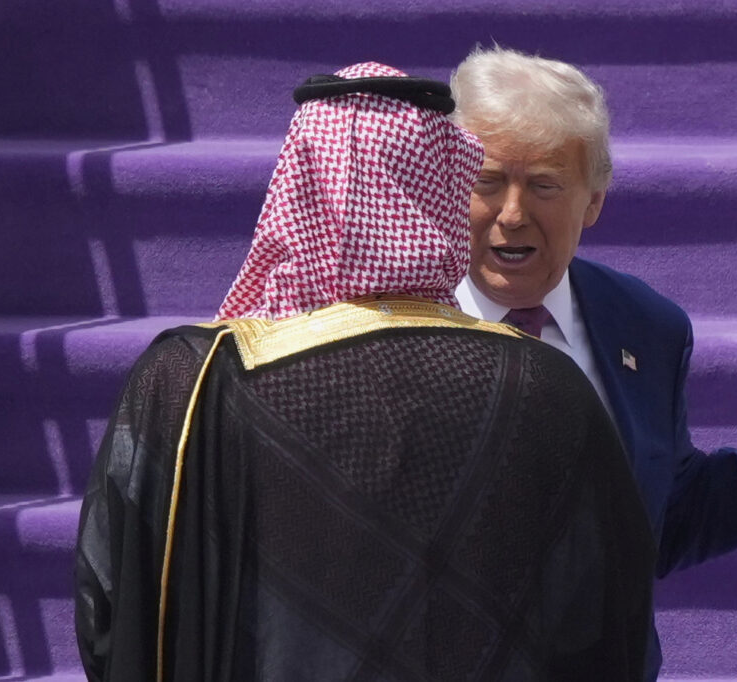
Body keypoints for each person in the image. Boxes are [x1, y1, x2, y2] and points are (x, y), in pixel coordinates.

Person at [74, 62, 656, 681]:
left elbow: (106, 606)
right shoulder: (548, 385)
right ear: (444, 192)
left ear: (297, 189)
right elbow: (609, 623)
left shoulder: (189, 381)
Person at [449, 46, 737, 679]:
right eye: (486, 181)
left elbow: (664, 521)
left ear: (593, 201)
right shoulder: (378, 324)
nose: (511, 214)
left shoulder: (644, 326)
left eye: (543, 185)